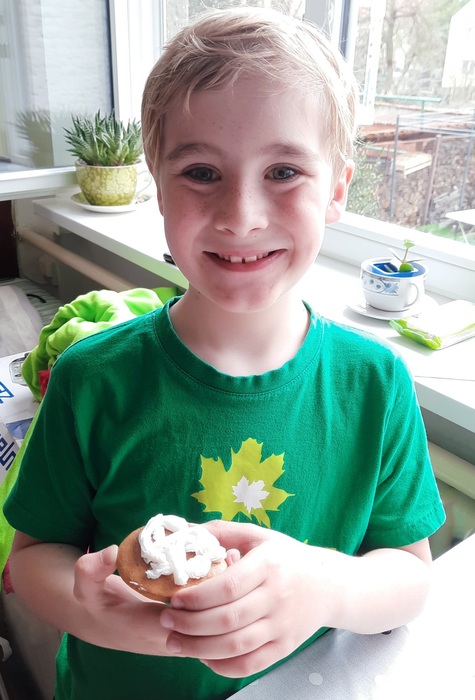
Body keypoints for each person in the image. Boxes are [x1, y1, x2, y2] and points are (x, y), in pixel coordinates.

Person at [4, 7, 445, 700]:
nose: (241, 215)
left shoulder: (375, 384)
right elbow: (33, 562)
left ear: (335, 190)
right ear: (157, 184)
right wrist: (93, 612)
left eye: (283, 171)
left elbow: (410, 577)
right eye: (202, 172)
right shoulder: (92, 379)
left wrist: (326, 586)